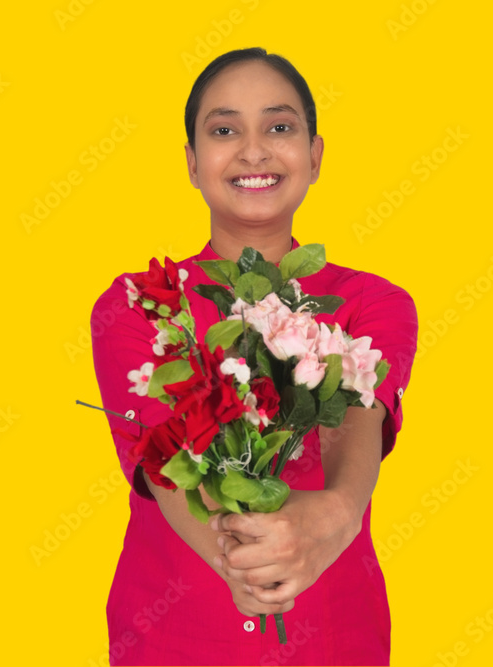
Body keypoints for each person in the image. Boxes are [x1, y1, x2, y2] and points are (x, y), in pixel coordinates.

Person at [90, 47, 417, 665]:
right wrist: (245, 564)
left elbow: (358, 424)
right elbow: (162, 460)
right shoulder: (143, 306)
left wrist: (331, 520)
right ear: (192, 162)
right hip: (171, 639)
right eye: (223, 130)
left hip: (336, 639)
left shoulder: (374, 304)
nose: (253, 150)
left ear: (315, 155)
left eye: (279, 126)